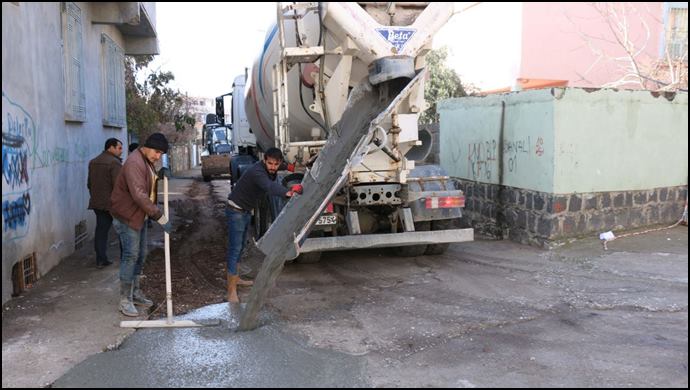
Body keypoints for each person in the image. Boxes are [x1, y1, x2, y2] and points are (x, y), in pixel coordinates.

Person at [225, 147, 303, 303]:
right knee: (234, 249)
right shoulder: (258, 172)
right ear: (264, 161)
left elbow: (280, 167)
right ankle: (231, 291)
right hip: (236, 211)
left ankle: (236, 279)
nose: (272, 167)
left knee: (240, 247)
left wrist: (289, 167)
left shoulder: (273, 167)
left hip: (245, 210)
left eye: (276, 164)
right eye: (270, 163)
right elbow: (269, 186)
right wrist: (288, 192)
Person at [110, 133, 172, 317]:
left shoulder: (146, 161)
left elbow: (148, 183)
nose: (158, 156)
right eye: (157, 152)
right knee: (131, 255)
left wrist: (159, 176)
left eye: (161, 153)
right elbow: (139, 195)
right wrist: (159, 216)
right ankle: (124, 300)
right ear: (147, 146)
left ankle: (135, 292)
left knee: (141, 254)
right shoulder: (134, 163)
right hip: (127, 216)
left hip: (140, 215)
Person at [87, 138, 123, 268]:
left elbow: (89, 184)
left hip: (97, 202)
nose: (121, 151)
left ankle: (100, 259)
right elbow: (119, 186)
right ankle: (126, 258)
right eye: (119, 148)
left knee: (101, 231)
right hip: (113, 204)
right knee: (122, 230)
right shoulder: (114, 163)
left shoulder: (93, 162)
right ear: (111, 148)